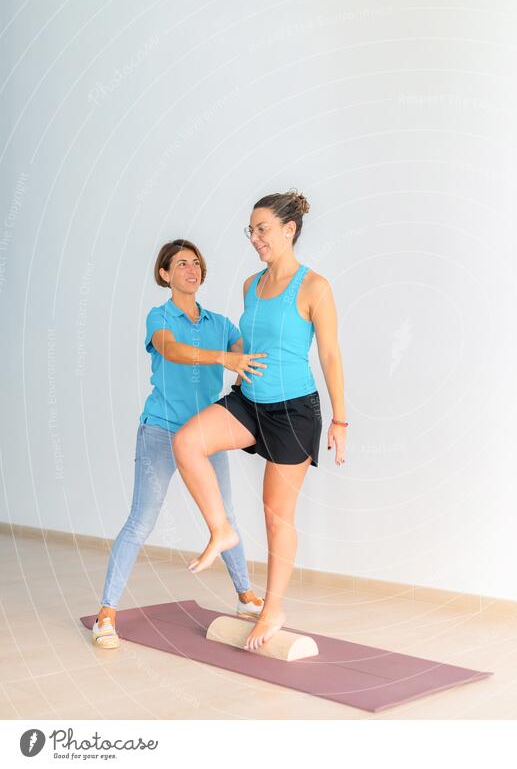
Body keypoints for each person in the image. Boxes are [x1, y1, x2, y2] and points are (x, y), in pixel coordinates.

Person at [172, 190, 347, 652]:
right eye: (250, 230)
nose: (255, 238)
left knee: (276, 517)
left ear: (289, 230)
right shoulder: (251, 285)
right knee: (188, 442)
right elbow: (245, 345)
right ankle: (221, 529)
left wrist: (340, 420)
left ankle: (273, 607)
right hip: (250, 401)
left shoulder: (314, 287)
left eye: (262, 229)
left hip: (293, 410)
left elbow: (329, 354)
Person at [92, 240, 267, 649]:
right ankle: (106, 612)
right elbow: (172, 349)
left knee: (225, 519)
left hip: (206, 436)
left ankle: (245, 597)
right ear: (166, 275)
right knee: (141, 521)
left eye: (196, 263)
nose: (192, 269)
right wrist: (223, 360)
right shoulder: (160, 316)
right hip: (161, 430)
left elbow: (244, 350)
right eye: (181, 264)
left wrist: (243, 358)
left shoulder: (220, 324)